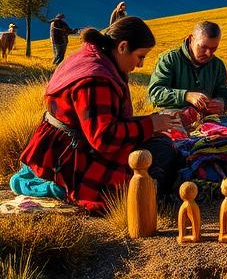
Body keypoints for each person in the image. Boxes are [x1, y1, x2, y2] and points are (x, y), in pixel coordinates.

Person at [20, 17, 178, 213]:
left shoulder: (95, 58)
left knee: (158, 146)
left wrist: (151, 123)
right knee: (159, 153)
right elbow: (104, 138)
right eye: (140, 56)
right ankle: (140, 200)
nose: (140, 65)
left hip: (65, 144)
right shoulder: (96, 80)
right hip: (71, 155)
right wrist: (150, 125)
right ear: (122, 47)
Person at [148, 20, 227, 113]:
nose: (208, 53)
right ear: (191, 39)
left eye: (214, 48)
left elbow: (223, 92)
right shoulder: (169, 59)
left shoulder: (218, 65)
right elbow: (155, 93)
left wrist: (221, 102)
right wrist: (186, 96)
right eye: (203, 47)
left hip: (208, 117)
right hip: (173, 116)